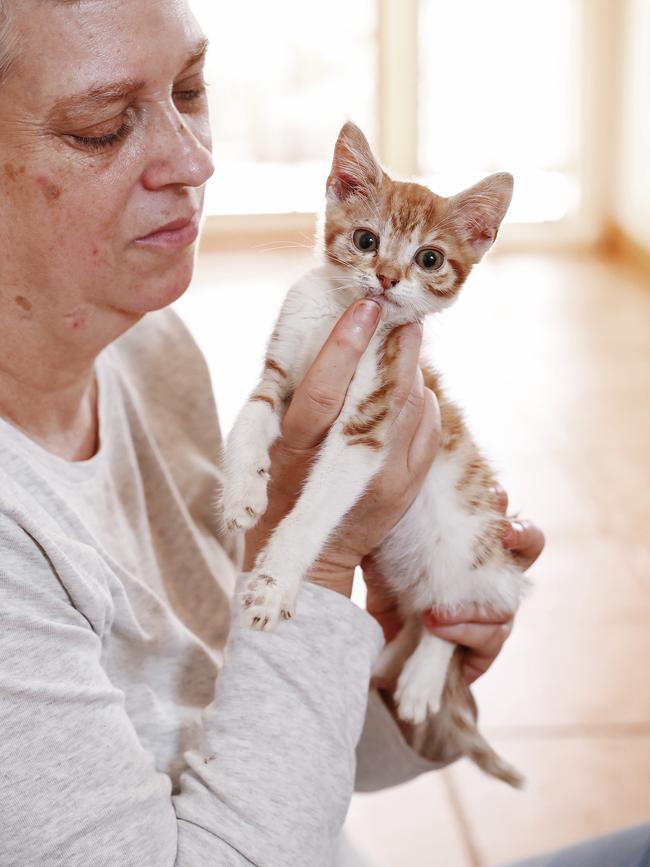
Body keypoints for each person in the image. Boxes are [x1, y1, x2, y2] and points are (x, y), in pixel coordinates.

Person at [0, 0, 550, 864]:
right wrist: (319, 561)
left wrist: (382, 670)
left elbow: (244, 733)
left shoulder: (147, 348)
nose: (196, 159)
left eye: (190, 88)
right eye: (104, 127)